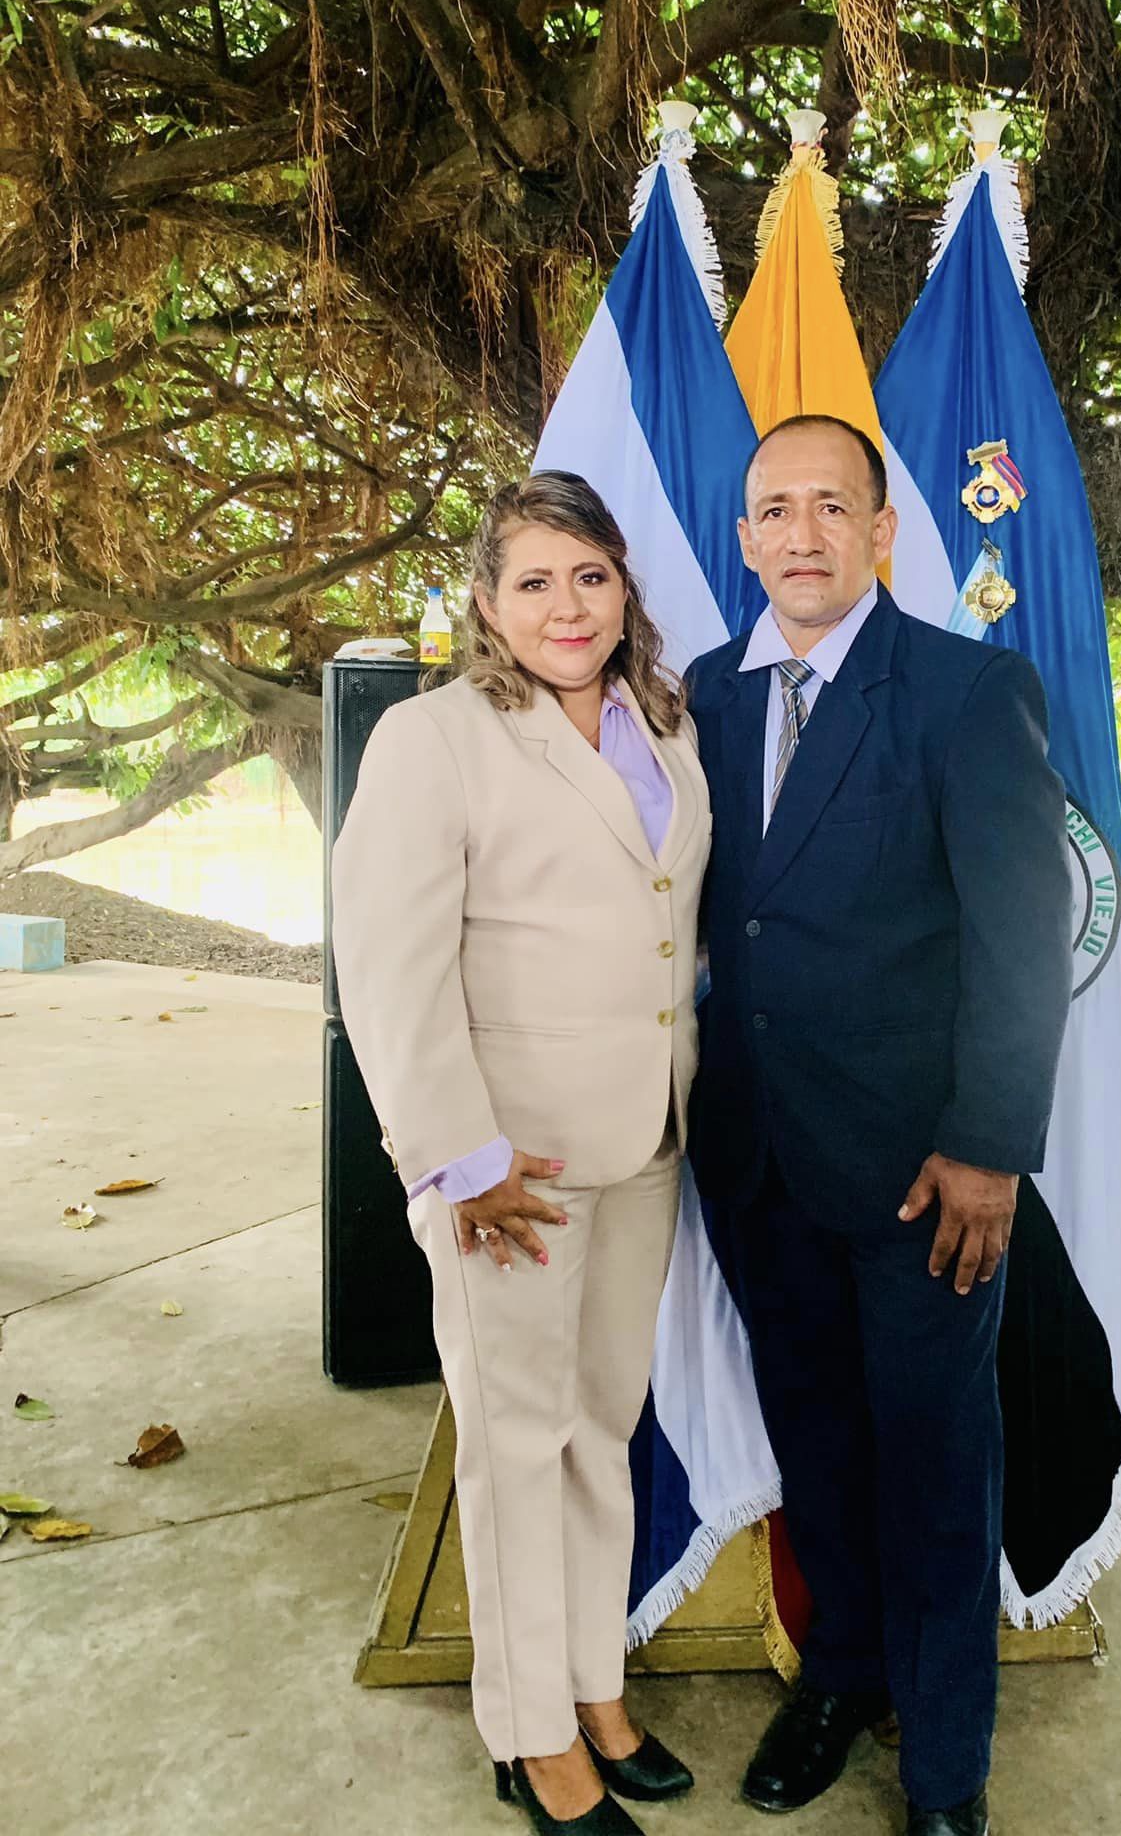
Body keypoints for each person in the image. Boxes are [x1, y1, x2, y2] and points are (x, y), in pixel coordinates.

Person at [685, 415, 1074, 1836]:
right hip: (757, 1160)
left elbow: (1023, 939)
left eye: (831, 506)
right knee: (818, 1439)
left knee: (935, 1464)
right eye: (775, 510)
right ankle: (843, 1675)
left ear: (883, 529)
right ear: (744, 539)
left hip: (925, 1177)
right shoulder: (704, 696)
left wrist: (990, 1147)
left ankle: (947, 1769)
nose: (803, 534)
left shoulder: (968, 693)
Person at [331, 472, 710, 1836]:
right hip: (510, 1169)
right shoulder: (434, 739)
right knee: (516, 1444)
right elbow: (389, 968)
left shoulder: (666, 721)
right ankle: (529, 1734)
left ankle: (595, 1686)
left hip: (648, 1137)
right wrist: (457, 1156)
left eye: (590, 576)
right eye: (535, 581)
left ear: (624, 589)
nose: (568, 606)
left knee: (600, 1432)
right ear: (488, 605)